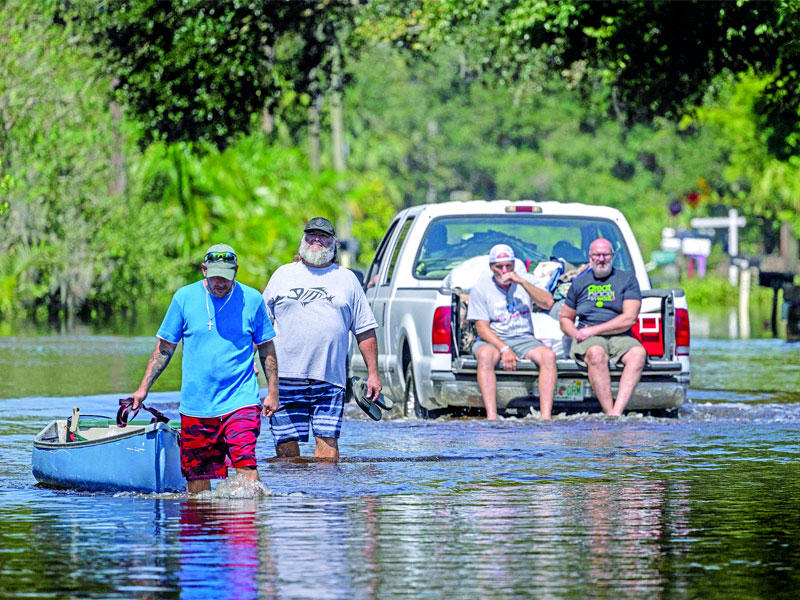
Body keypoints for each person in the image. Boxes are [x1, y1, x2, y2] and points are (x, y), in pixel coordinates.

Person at [130, 243, 279, 494]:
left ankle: (244, 529)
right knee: (197, 482)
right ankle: (204, 529)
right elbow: (165, 348)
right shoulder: (184, 298)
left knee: (246, 465)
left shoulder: (252, 300)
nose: (220, 282)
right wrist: (143, 389)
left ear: (236, 271)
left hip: (241, 400)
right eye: (215, 276)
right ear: (203, 270)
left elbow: (266, 348)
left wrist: (273, 392)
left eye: (227, 276)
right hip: (196, 406)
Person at [262, 217, 381, 460]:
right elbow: (260, 327)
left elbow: (365, 330)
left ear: (334, 243)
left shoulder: (347, 279)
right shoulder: (282, 275)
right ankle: (292, 497)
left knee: (328, 449)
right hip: (285, 377)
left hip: (330, 379)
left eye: (323, 235)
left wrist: (373, 374)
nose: (317, 239)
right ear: (303, 240)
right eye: (311, 234)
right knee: (286, 450)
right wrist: (250, 362)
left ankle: (325, 496)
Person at [467, 243, 557, 420]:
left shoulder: (525, 280)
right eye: (499, 267)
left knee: (548, 357)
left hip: (523, 337)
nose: (504, 271)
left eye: (508, 266)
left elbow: (548, 302)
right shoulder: (481, 287)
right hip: (494, 337)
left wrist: (522, 282)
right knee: (486, 356)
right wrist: (503, 349)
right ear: (491, 267)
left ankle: (545, 416)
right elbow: (482, 328)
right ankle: (491, 416)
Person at [559, 238, 647, 416]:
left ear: (612, 256)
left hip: (619, 336)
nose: (601, 259)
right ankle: (610, 413)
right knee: (596, 352)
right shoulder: (578, 283)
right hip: (588, 340)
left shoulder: (627, 280)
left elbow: (629, 319)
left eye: (605, 254)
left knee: (638, 353)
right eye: (597, 255)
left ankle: (616, 412)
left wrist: (594, 330)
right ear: (590, 257)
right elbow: (565, 318)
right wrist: (576, 333)